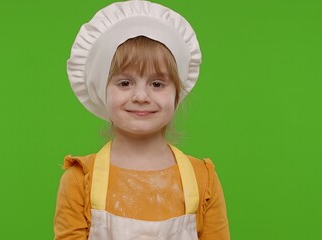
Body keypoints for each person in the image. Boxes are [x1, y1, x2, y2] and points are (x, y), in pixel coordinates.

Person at [54, 1, 230, 239]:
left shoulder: (203, 179)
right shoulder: (80, 180)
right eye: (124, 83)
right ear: (101, 91)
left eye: (157, 84)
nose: (140, 96)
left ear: (177, 93)